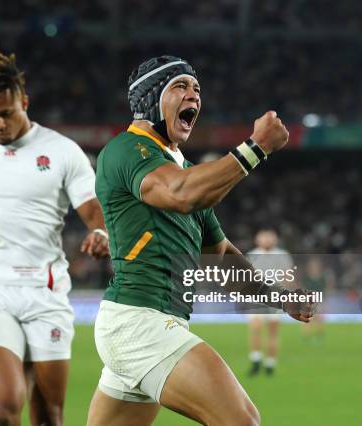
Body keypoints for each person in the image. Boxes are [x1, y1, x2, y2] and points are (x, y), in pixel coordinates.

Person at [87, 55, 314, 426]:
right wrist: (256, 147)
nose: (193, 95)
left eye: (197, 89)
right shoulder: (126, 150)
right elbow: (180, 194)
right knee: (242, 421)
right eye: (180, 86)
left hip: (149, 325)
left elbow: (220, 257)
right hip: (140, 324)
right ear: (149, 98)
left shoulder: (188, 173)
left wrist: (279, 297)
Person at [0, 43, 109, 426]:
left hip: (45, 292)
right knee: (3, 410)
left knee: (48, 416)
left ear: (24, 102)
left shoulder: (63, 151)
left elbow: (93, 209)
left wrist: (100, 232)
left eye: (6, 114)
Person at [246, 229, 294, 376]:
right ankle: (256, 360)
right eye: (263, 238)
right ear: (257, 240)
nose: (266, 240)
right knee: (255, 329)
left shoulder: (282, 255)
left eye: (269, 238)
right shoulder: (252, 255)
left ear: (275, 240)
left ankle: (270, 364)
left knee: (273, 332)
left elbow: (288, 276)